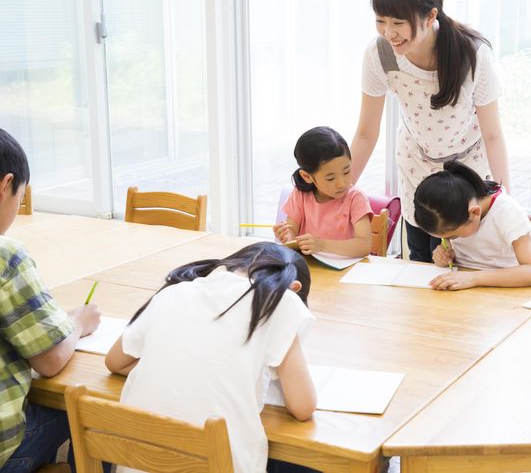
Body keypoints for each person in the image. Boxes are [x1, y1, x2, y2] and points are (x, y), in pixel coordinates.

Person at [105, 242, 317, 473]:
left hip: (139, 464)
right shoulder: (280, 302)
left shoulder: (176, 291)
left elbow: (115, 361)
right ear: (293, 289)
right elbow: (303, 407)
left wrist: (178, 365)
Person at [350, 0, 511, 263]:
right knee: (421, 259)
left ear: (430, 15)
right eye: (380, 21)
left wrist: (505, 201)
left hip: (465, 174)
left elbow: (492, 134)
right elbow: (365, 133)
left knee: (464, 267)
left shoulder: (472, 55)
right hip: (416, 168)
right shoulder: (379, 54)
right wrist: (341, 193)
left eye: (398, 23)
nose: (389, 33)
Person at [0, 128, 101, 471]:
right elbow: (50, 360)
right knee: (92, 414)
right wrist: (78, 323)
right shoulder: (6, 256)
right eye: (20, 195)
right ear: (5, 186)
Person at [413, 160, 531, 290]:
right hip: (466, 291)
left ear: (474, 212)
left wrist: (473, 278)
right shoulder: (454, 214)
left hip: (504, 294)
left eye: (453, 236)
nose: (448, 240)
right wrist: (443, 257)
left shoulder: (506, 211)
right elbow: (454, 255)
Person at [274, 127, 372, 258]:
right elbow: (292, 234)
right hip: (312, 270)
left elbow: (364, 245)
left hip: (345, 271)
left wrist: (322, 245)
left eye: (346, 171)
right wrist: (287, 236)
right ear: (307, 176)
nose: (342, 183)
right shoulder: (300, 195)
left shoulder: (355, 198)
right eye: (330, 178)